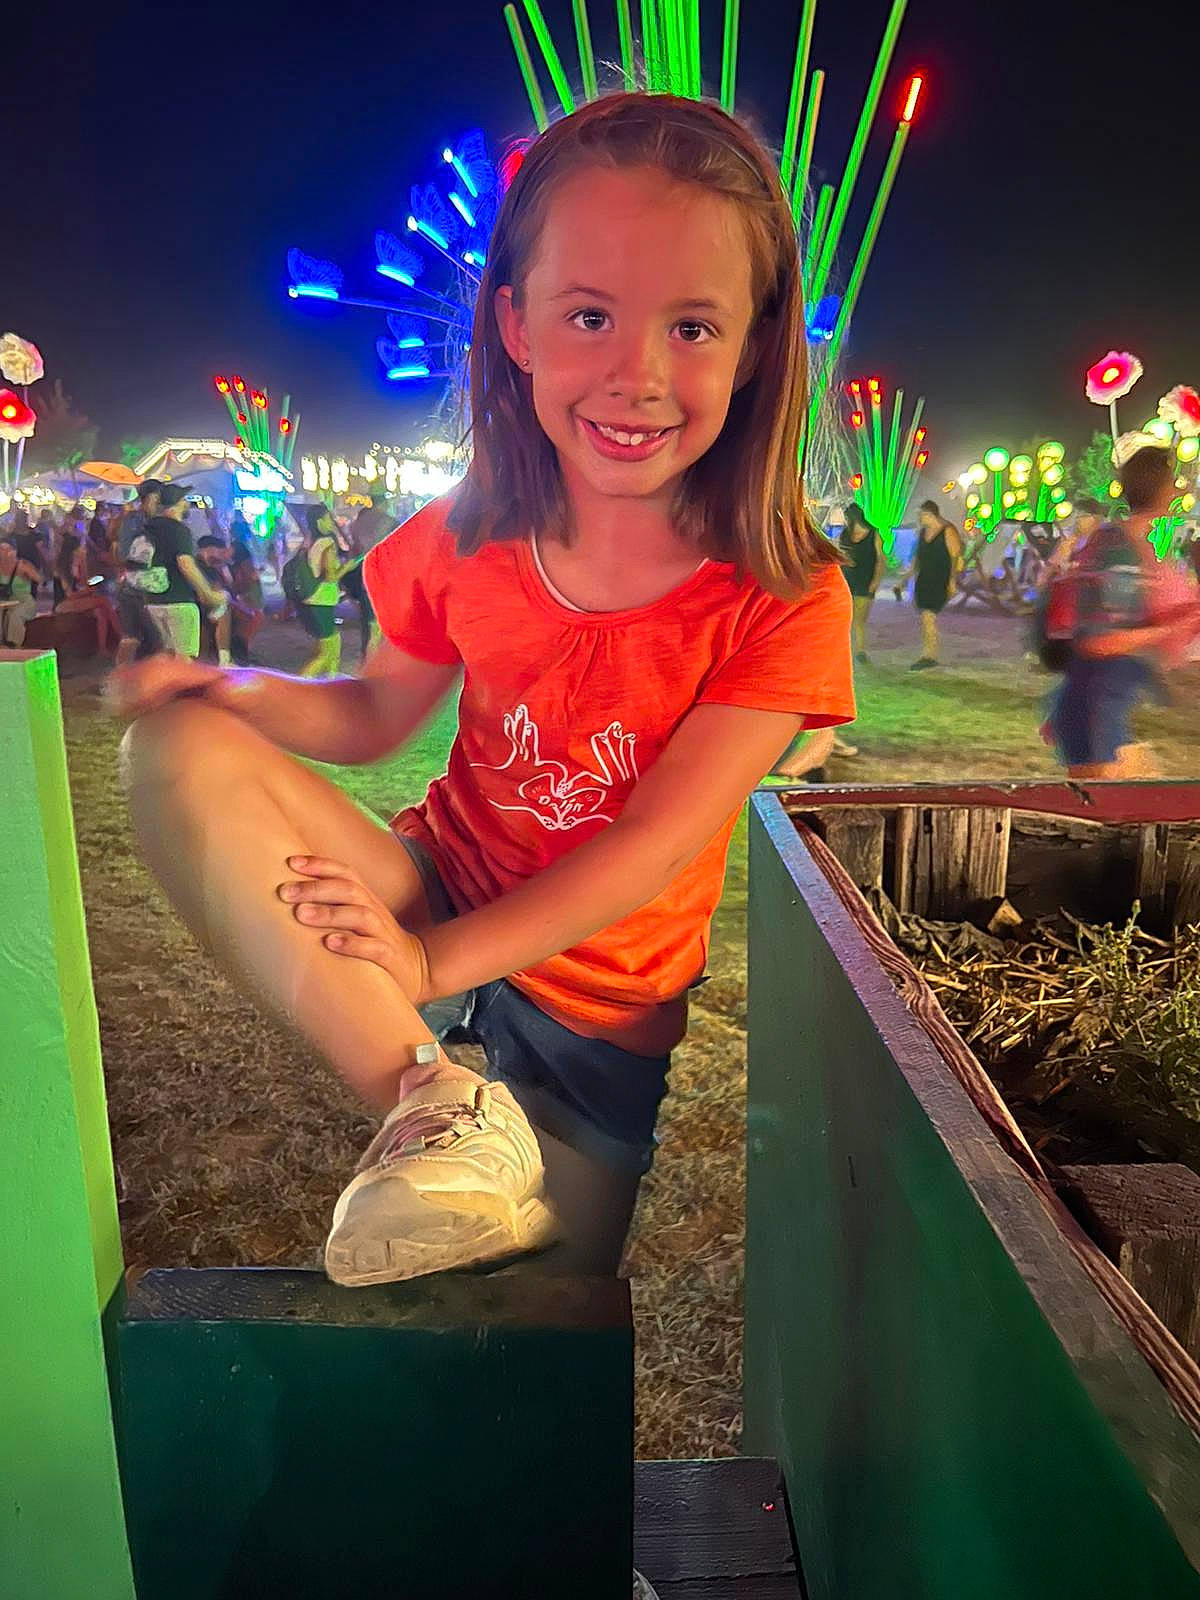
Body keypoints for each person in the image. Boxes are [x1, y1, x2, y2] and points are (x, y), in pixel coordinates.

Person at [111, 92, 854, 1294]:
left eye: (695, 327)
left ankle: (453, 1114)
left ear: (760, 344)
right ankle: (435, 1098)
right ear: (514, 323)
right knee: (176, 750)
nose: (638, 375)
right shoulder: (465, 535)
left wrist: (430, 963)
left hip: (596, 1014)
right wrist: (226, 684)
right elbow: (371, 717)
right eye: (592, 315)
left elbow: (655, 845)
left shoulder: (781, 594)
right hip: (435, 881)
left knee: (531, 1337)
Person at [1044, 445, 1200, 779]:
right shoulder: (1120, 550)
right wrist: (1166, 630)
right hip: (1099, 703)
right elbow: (1096, 641)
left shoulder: (1136, 543)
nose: (1179, 489)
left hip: (1105, 700)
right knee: (1114, 814)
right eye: (1173, 481)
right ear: (1158, 487)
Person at [126, 483, 229, 658]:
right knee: (184, 660)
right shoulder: (179, 530)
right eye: (185, 500)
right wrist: (208, 595)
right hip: (179, 601)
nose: (187, 504)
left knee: (167, 656)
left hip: (153, 601)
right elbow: (185, 564)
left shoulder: (148, 527)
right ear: (178, 503)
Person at [292, 505, 352, 678]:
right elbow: (331, 577)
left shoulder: (313, 542)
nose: (331, 522)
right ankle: (300, 685)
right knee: (326, 653)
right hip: (322, 601)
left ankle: (331, 682)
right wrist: (347, 567)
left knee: (332, 645)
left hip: (316, 600)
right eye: (327, 519)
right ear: (319, 522)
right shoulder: (328, 543)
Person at [116, 479, 165, 666]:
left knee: (151, 640)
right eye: (157, 499)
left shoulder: (157, 520)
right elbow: (124, 555)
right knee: (133, 638)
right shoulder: (134, 520)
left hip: (150, 587)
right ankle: (119, 680)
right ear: (150, 498)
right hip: (135, 588)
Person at [908, 499, 961, 669]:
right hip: (924, 578)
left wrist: (952, 581)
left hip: (940, 578)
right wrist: (906, 578)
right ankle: (929, 653)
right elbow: (918, 558)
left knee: (928, 616)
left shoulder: (948, 531)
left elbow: (955, 557)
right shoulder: (923, 532)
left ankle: (929, 655)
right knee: (926, 618)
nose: (919, 518)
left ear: (930, 514)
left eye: (921, 515)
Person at [343, 490, 393, 655]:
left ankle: (366, 657)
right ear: (383, 504)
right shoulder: (389, 522)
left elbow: (354, 548)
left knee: (368, 623)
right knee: (377, 627)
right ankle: (371, 667)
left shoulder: (358, 522)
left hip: (363, 575)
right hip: (382, 577)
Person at [839, 501, 885, 663]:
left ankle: (860, 650)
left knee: (859, 618)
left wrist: (875, 581)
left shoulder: (874, 534)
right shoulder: (845, 535)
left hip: (865, 581)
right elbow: (840, 557)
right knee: (846, 617)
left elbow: (880, 560)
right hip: (846, 580)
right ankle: (849, 650)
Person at [0, 534, 42, 646]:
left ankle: (15, 645)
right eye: (1, 549)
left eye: (7, 549)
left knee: (14, 615)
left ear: (14, 551)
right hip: (5, 601)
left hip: (23, 601)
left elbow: (39, 579)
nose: (4, 552)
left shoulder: (22, 565)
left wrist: (28, 571)